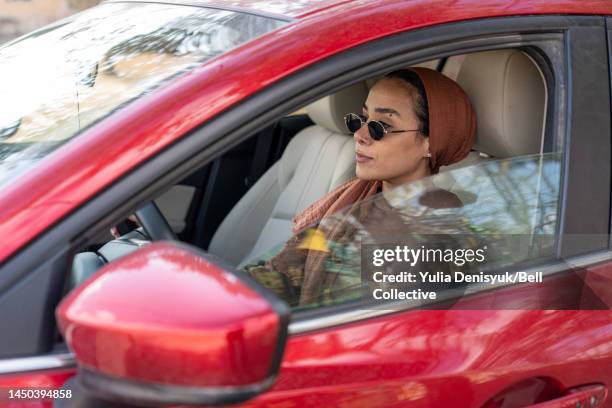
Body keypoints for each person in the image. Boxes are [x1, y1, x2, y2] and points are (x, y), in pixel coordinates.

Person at [244, 67, 477, 308]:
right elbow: (284, 273)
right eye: (362, 120)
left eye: (381, 126)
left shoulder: (440, 234)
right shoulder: (358, 199)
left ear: (430, 142)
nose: (360, 134)